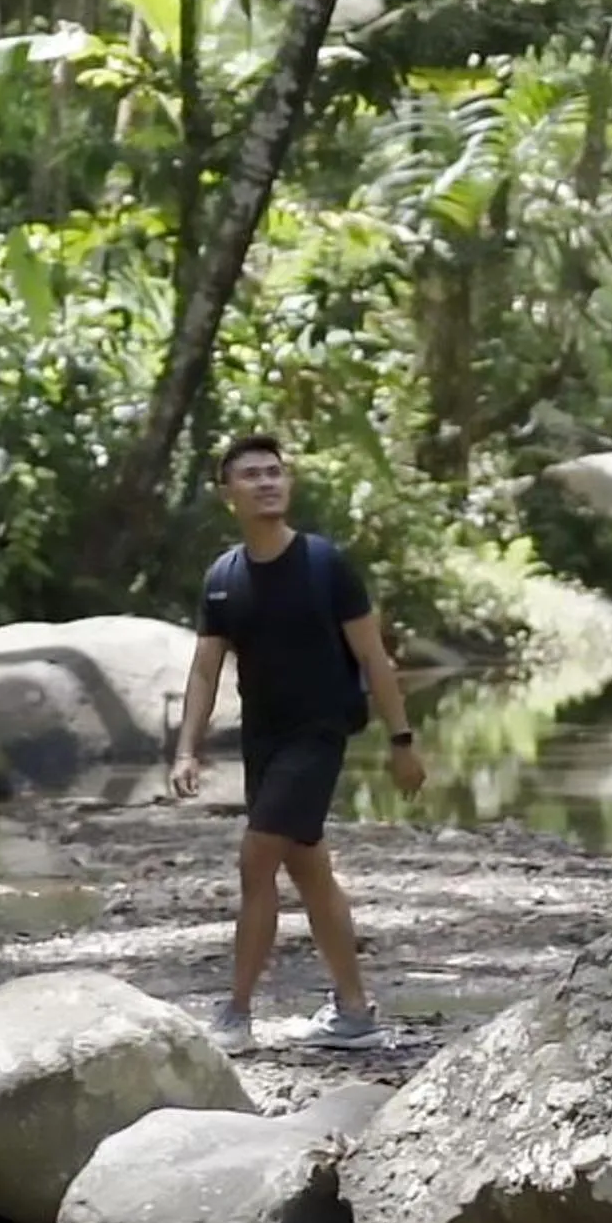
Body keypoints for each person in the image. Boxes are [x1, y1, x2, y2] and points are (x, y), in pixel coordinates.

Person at [169, 433, 426, 1052]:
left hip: (320, 733)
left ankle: (235, 1016)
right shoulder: (223, 578)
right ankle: (355, 1013)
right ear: (228, 494)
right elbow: (205, 669)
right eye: (251, 475)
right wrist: (187, 748)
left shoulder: (325, 564)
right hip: (263, 741)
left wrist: (401, 740)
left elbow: (374, 657)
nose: (266, 482)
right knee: (309, 869)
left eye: (274, 472)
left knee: (256, 859)